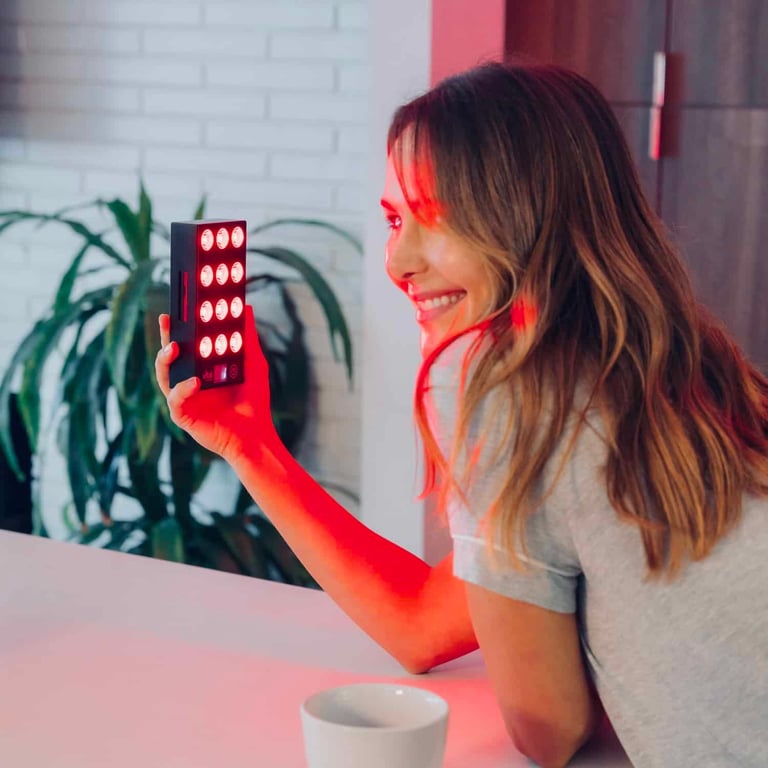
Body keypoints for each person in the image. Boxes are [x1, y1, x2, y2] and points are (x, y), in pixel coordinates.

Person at [156, 62, 768, 768]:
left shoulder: (499, 380)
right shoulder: (697, 373)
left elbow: (548, 729)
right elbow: (421, 625)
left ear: (530, 220)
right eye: (394, 219)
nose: (398, 260)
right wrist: (249, 442)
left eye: (438, 219)